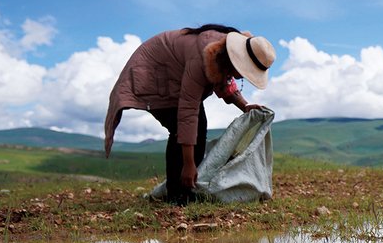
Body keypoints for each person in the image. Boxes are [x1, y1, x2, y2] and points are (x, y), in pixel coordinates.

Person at [104, 23, 277, 204]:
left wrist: (245, 105)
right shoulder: (203, 57)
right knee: (183, 127)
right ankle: (178, 194)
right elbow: (187, 112)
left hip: (171, 75)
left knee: (197, 127)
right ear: (237, 58)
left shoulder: (222, 53)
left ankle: (186, 189)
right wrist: (188, 164)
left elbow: (223, 79)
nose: (242, 76)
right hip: (152, 75)